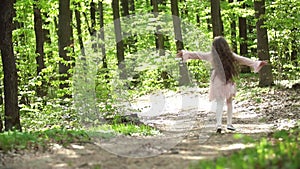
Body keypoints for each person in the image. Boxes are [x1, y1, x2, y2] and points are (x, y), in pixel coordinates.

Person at [177, 36, 267, 133]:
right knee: (229, 102)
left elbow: (197, 55)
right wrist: (257, 63)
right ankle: (229, 124)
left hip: (217, 80)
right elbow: (244, 60)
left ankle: (218, 125)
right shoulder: (230, 55)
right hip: (227, 80)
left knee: (219, 103)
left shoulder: (211, 55)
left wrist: (184, 53)